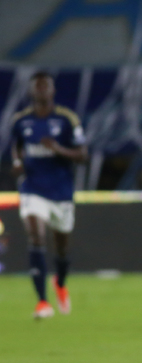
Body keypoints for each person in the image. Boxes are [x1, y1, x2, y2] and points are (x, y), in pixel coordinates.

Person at [11, 71, 88, 318]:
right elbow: (17, 147)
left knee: (62, 249)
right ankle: (42, 302)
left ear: (53, 91)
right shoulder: (21, 121)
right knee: (36, 237)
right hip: (33, 188)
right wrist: (16, 162)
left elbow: (83, 155)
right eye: (38, 86)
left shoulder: (67, 119)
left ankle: (60, 283)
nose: (42, 89)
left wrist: (58, 149)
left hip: (61, 192)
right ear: (32, 91)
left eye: (46, 86)